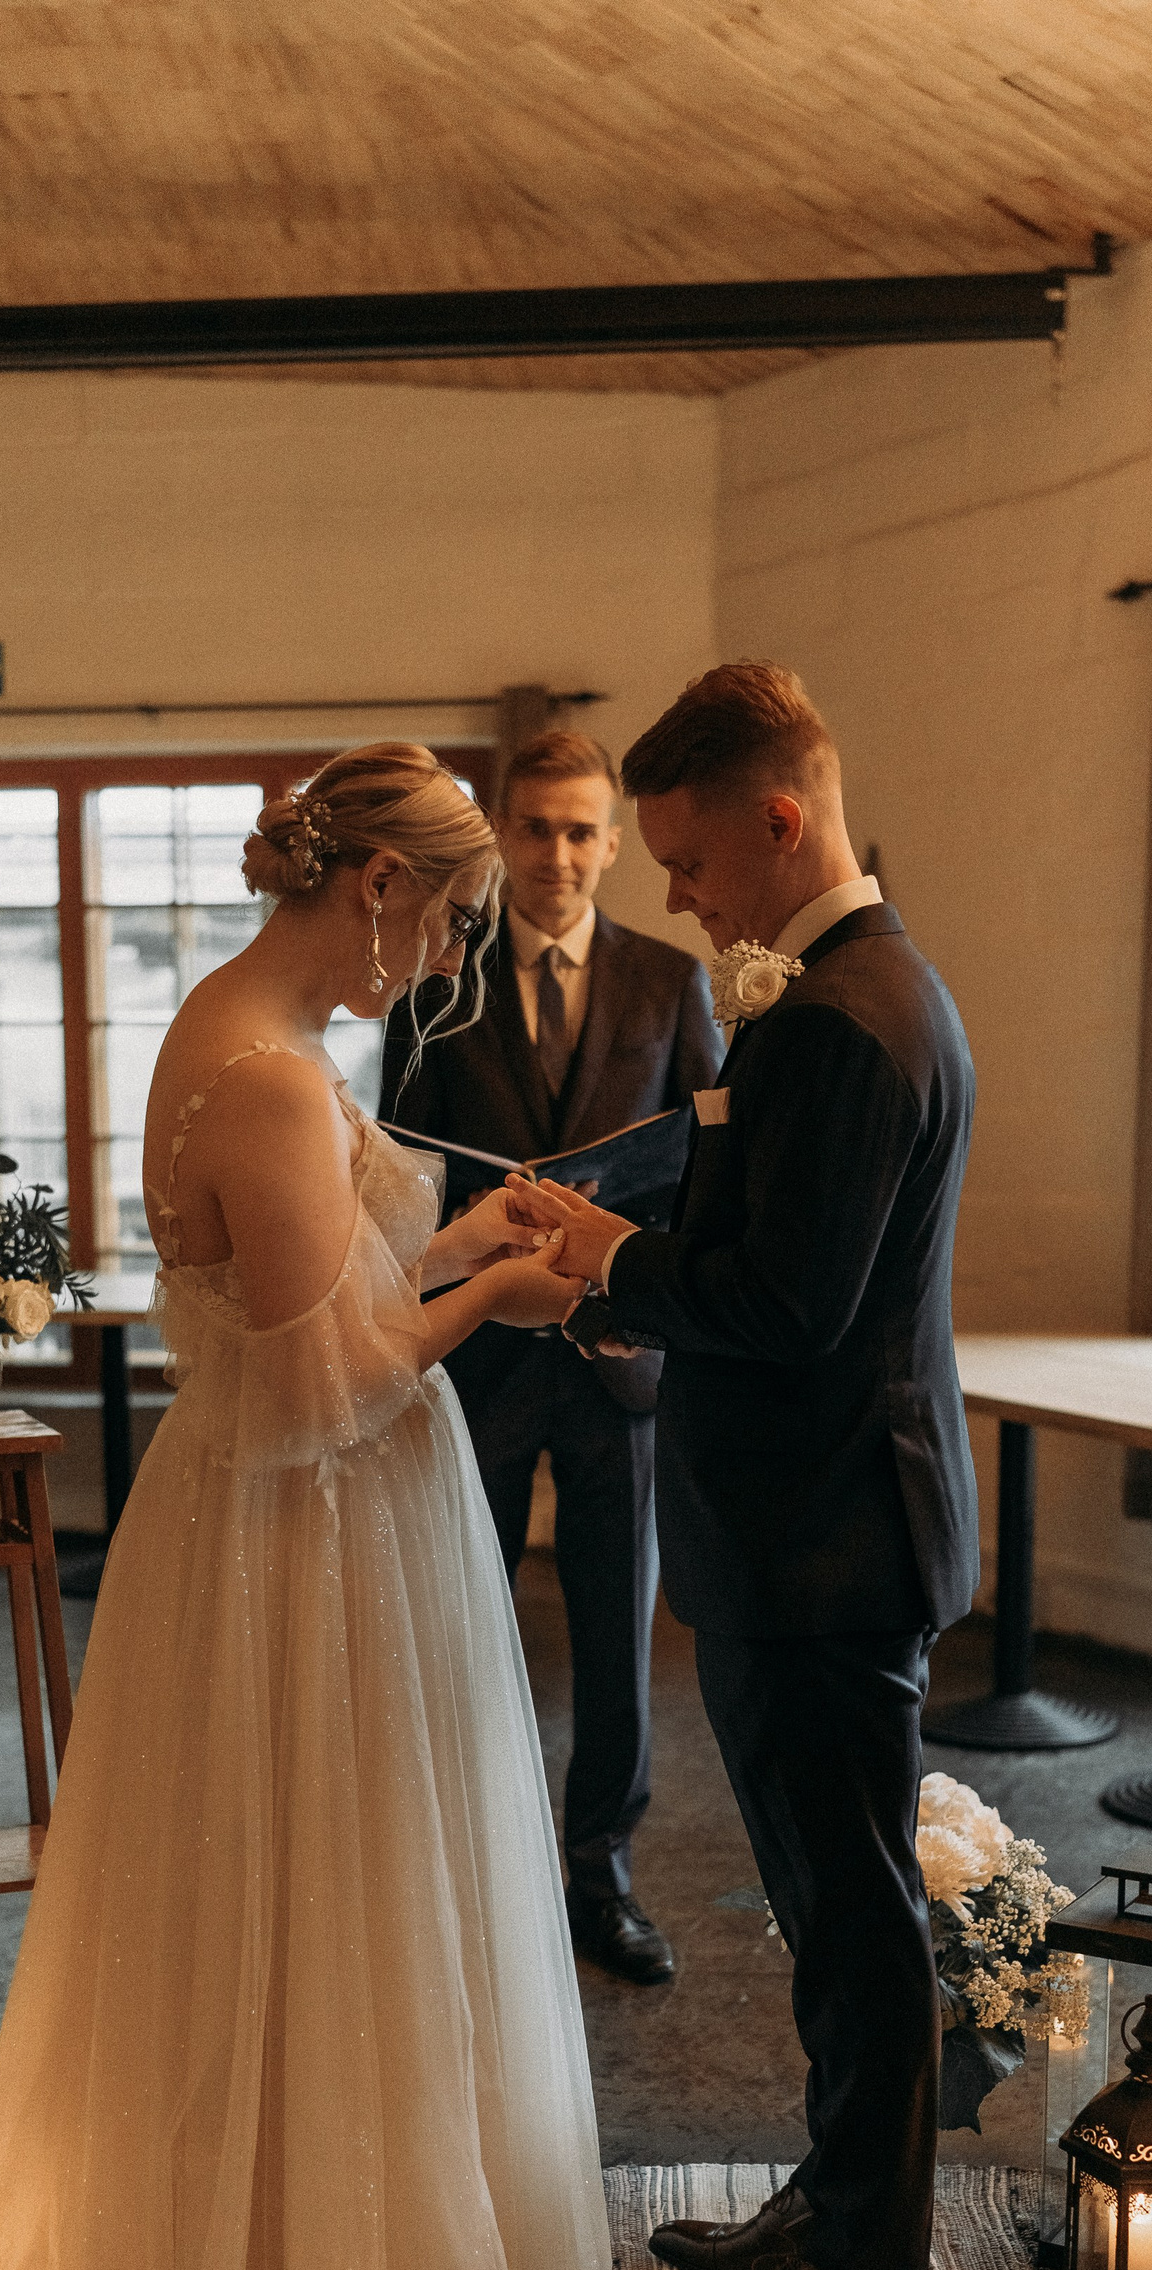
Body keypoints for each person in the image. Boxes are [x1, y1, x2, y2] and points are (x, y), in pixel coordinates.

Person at [0, 746, 625, 2270]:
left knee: (317, 1885)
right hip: (309, 1539)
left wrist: (458, 1236)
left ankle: (320, 2236)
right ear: (377, 884)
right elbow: (328, 1388)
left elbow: (324, 1296)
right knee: (325, 1879)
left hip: (284, 1518)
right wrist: (507, 1294)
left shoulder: (249, 1035)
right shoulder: (270, 1080)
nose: (445, 956)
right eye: (446, 918)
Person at [510, 665, 979, 2270]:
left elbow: (790, 1304)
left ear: (781, 820)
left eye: (692, 863)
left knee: (854, 1918)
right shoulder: (841, 993)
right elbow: (775, 1257)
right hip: (800, 1530)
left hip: (831, 1540)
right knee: (822, 1898)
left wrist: (609, 1261)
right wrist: (634, 1274)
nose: (683, 898)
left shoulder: (853, 1018)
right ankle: (837, 2199)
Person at [381, 730, 721, 1988]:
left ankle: (600, 1875)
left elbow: (710, 1173)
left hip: (619, 1362)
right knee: (460, 1615)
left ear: (613, 843)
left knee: (617, 1634)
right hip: (476, 1359)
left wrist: (654, 1291)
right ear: (502, 833)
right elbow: (399, 1174)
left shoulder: (672, 981)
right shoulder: (434, 984)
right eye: (536, 828)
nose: (558, 855)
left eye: (582, 832)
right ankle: (474, 1864)